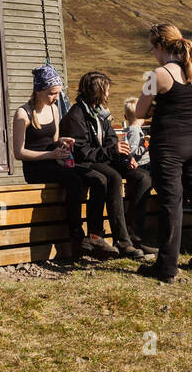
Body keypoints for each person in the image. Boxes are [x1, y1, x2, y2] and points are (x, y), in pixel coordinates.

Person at [134, 23, 192, 282]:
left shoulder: (157, 75)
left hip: (168, 145)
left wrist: (154, 109)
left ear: (160, 46)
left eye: (152, 48)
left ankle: (167, 267)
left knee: (171, 204)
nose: (152, 53)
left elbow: (139, 111)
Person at [12, 67, 102, 258]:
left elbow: (53, 140)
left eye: (58, 93)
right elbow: (19, 153)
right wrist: (51, 155)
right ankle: (76, 234)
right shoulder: (23, 114)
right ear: (39, 90)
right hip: (36, 167)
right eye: (52, 93)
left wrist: (62, 143)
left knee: (94, 178)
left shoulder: (53, 109)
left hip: (54, 161)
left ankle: (95, 235)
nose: (55, 97)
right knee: (75, 181)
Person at [58, 72, 146, 258]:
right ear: (97, 91)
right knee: (112, 177)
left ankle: (134, 235)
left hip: (102, 158)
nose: (108, 93)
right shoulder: (76, 116)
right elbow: (83, 153)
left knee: (142, 177)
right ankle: (120, 241)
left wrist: (124, 156)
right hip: (86, 163)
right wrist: (113, 151)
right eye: (106, 89)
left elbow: (111, 140)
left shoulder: (100, 112)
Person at [122, 96, 155, 249]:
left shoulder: (129, 130)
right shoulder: (135, 132)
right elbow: (133, 152)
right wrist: (147, 144)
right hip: (142, 166)